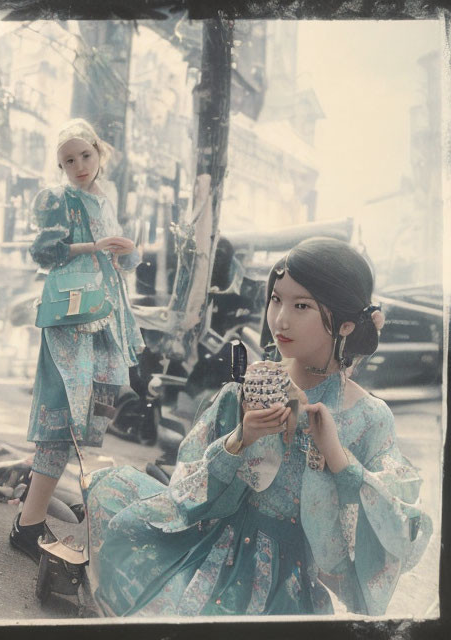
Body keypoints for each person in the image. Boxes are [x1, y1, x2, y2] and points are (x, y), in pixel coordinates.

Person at [83, 237, 433, 616]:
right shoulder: (251, 385)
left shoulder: (368, 416)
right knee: (110, 490)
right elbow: (190, 481)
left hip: (284, 577)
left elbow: (403, 527)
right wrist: (240, 439)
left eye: (302, 306)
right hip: (211, 537)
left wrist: (337, 456)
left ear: (346, 324)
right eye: (276, 299)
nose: (280, 319)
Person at [9, 118, 144, 560]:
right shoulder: (57, 199)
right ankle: (27, 526)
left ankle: (32, 518)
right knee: (60, 417)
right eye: (68, 160)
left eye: (84, 155)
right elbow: (44, 253)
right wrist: (95, 247)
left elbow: (124, 263)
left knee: (91, 411)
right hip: (71, 317)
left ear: (98, 152)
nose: (78, 165)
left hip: (107, 317)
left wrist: (126, 251)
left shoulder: (106, 199)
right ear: (60, 166)